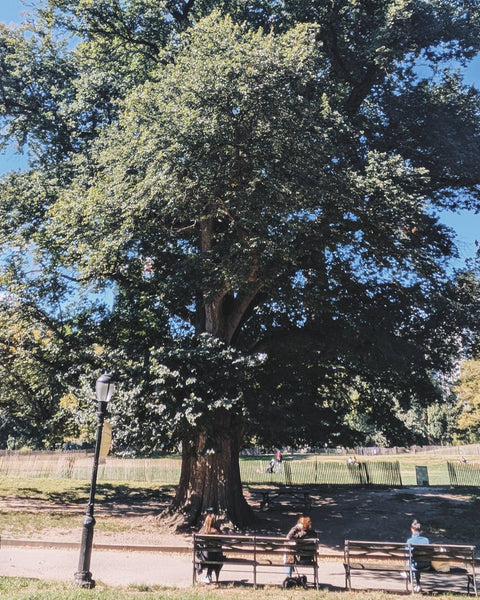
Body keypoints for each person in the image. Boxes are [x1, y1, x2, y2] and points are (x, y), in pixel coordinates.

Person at [196, 512, 224, 584]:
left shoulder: (202, 532)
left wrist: (204, 526)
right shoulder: (216, 532)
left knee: (207, 554)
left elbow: (197, 545)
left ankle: (206, 574)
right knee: (213, 555)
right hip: (215, 558)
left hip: (204, 557)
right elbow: (220, 545)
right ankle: (208, 576)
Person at [406, 519, 430, 592]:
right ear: (420, 530)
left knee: (412, 562)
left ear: (411, 529)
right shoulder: (426, 540)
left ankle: (411, 577)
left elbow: (407, 552)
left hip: (414, 566)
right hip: (426, 566)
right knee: (417, 561)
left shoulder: (409, 541)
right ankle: (418, 583)